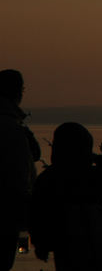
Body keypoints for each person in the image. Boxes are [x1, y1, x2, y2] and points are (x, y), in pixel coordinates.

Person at [30, 122, 102, 270]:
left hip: (70, 254)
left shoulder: (49, 179)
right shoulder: (100, 175)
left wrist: (41, 245)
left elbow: (37, 215)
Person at [0, 69, 40, 271]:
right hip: (8, 216)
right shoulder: (12, 128)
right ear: (18, 92)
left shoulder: (15, 124)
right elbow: (19, 178)